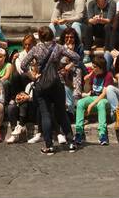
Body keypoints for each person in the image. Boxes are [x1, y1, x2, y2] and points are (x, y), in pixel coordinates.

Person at [21, 26, 79, 155]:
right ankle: (71, 142)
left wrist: (33, 76)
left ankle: (49, 146)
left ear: (40, 37)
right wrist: (66, 68)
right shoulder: (58, 47)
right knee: (62, 113)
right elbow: (76, 57)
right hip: (56, 82)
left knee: (45, 114)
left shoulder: (36, 49)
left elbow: (23, 65)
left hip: (41, 84)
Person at [73, 52, 114, 146]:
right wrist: (87, 82)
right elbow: (87, 90)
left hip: (104, 100)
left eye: (95, 67)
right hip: (93, 97)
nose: (92, 68)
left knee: (101, 104)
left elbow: (103, 94)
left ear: (101, 67)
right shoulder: (93, 74)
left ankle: (103, 134)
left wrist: (91, 105)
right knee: (80, 103)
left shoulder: (108, 76)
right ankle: (79, 132)